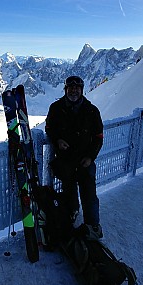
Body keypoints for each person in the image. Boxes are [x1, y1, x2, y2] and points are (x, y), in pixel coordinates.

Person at [45, 75, 104, 240]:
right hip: (66, 160)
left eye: (77, 88)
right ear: (66, 89)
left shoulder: (92, 111)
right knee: (69, 190)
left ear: (82, 90)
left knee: (89, 193)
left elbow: (98, 137)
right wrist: (58, 140)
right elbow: (49, 128)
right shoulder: (55, 108)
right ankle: (71, 213)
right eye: (71, 88)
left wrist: (91, 157)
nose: (74, 90)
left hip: (85, 161)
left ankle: (93, 226)